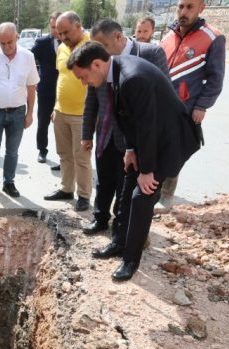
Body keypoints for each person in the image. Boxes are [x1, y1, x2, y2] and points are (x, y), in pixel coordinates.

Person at [68, 41, 200, 280]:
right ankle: (119, 243)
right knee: (128, 189)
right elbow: (127, 117)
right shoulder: (116, 70)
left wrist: (148, 170)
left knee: (141, 197)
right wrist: (130, 149)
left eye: (83, 76)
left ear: (96, 64)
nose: (83, 82)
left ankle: (131, 261)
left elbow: (148, 126)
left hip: (168, 142)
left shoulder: (131, 78)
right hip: (145, 141)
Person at [81, 19, 169, 235]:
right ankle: (100, 218)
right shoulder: (99, 60)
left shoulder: (150, 54)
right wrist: (87, 134)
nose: (98, 52)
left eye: (102, 45)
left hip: (133, 137)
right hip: (105, 133)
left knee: (125, 186)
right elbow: (91, 99)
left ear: (118, 37)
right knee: (104, 180)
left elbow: (162, 96)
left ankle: (121, 230)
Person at [157, 0, 226, 213]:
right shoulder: (168, 35)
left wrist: (202, 106)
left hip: (184, 109)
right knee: (155, 148)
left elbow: (216, 77)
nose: (183, 12)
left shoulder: (213, 37)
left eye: (189, 7)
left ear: (201, 8)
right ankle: (152, 190)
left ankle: (166, 197)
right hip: (159, 105)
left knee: (175, 152)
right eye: (181, 7)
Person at [0, 22, 39, 198]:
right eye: (2, 43)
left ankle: (9, 182)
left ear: (17, 37)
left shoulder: (28, 57)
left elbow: (31, 87)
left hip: (18, 113)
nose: (6, 47)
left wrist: (30, 113)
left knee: (12, 151)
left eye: (10, 42)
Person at [43, 11, 91, 211]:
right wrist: (56, 106)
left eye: (66, 32)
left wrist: (94, 117)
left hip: (82, 115)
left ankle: (84, 195)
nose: (62, 37)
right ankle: (66, 188)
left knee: (81, 157)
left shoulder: (93, 46)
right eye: (59, 33)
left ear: (78, 26)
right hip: (61, 112)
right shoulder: (62, 48)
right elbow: (61, 78)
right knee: (64, 154)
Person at [31, 12, 61, 164]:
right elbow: (29, 59)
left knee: (64, 126)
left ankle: (64, 156)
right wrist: (35, 77)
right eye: (53, 27)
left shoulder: (70, 43)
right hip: (45, 90)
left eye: (58, 27)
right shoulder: (42, 42)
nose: (55, 30)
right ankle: (42, 150)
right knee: (43, 122)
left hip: (64, 92)